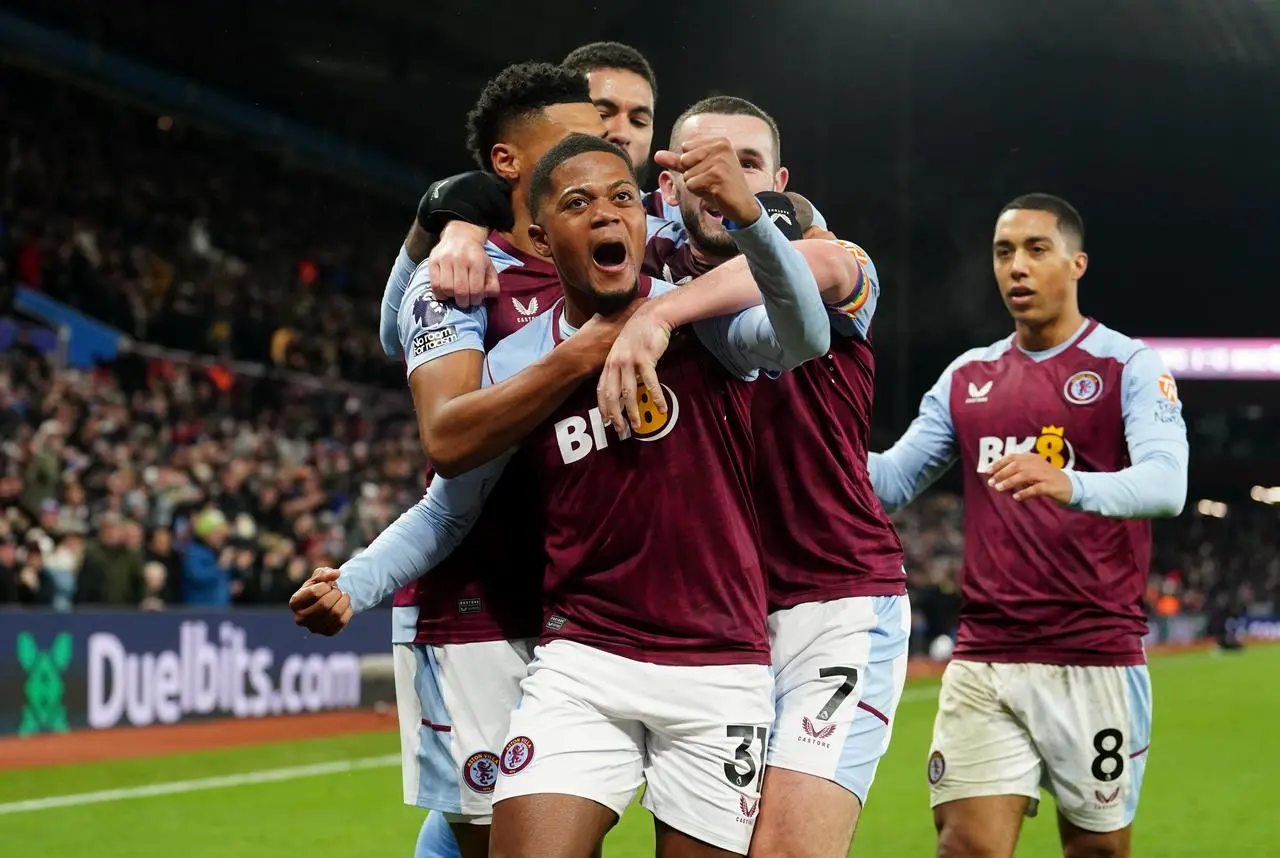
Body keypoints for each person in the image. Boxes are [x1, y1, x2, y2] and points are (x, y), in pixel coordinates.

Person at [295, 133, 866, 857]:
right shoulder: (516, 362)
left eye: (623, 198)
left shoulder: (699, 317)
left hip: (719, 668)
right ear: (540, 235)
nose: (607, 214)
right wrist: (355, 581)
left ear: (640, 223)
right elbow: (448, 507)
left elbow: (807, 335)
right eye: (578, 202)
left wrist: (751, 220)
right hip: (582, 661)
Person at [595, 95, 908, 858]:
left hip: (834, 600)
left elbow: (817, 267)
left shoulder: (838, 259)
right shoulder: (646, 256)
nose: (720, 179)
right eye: (699, 164)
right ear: (663, 187)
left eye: (744, 164)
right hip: (709, 622)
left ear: (780, 179)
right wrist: (459, 226)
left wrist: (659, 315)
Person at [867, 193, 1188, 858]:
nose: (1017, 266)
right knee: (966, 848)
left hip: (1093, 656)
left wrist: (1068, 482)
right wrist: (805, 437)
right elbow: (892, 480)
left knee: (1097, 852)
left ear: (1076, 263)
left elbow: (1168, 485)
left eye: (1036, 249)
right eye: (1003, 251)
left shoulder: (1127, 365)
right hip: (986, 654)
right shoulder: (969, 377)